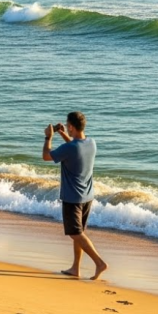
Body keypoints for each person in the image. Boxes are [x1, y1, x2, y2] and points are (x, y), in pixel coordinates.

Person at [42, 111, 108, 281]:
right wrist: (63, 133)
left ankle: (99, 262)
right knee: (79, 232)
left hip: (73, 198)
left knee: (75, 233)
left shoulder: (70, 148)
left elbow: (46, 156)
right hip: (87, 196)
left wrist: (48, 137)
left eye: (67, 126)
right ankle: (75, 268)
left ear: (71, 126)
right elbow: (74, 149)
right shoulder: (91, 143)